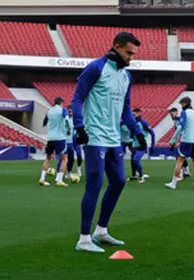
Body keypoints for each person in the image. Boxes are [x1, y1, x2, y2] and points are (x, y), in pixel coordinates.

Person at [71, 31, 146, 253]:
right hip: (94, 136)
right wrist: (79, 126)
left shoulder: (126, 77)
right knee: (95, 182)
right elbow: (77, 98)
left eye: (133, 54)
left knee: (119, 182)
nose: (131, 58)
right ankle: (84, 238)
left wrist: (137, 132)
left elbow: (126, 110)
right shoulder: (95, 68)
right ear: (115, 46)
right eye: (128, 53)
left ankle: (101, 231)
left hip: (114, 139)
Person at [165, 98, 194, 190]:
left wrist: (173, 140)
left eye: (181, 104)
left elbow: (180, 127)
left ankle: (173, 183)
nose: (181, 106)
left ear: (185, 104)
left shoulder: (184, 113)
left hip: (186, 140)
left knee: (179, 162)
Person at [41, 97, 70, 187]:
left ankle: (42, 178)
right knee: (64, 158)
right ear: (61, 103)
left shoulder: (49, 111)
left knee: (48, 158)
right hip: (60, 138)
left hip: (50, 138)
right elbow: (67, 119)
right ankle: (59, 180)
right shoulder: (63, 110)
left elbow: (44, 122)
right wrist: (68, 128)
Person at [124, 108, 155, 184]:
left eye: (134, 114)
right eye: (132, 114)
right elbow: (131, 136)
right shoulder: (133, 124)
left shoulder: (143, 123)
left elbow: (152, 133)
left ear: (139, 114)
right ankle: (134, 176)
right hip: (134, 145)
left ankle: (141, 177)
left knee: (136, 160)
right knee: (132, 161)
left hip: (142, 145)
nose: (132, 116)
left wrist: (152, 145)